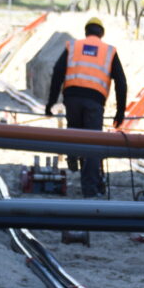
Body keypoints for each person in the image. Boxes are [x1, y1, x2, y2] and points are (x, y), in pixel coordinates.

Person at [45, 17, 127, 199]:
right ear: (101, 33)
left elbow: (57, 74)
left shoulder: (73, 47)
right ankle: (89, 190)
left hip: (72, 98)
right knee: (93, 144)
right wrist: (121, 111)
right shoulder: (109, 51)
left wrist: (50, 103)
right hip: (95, 101)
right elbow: (121, 82)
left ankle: (73, 154)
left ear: (86, 31)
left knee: (75, 132)